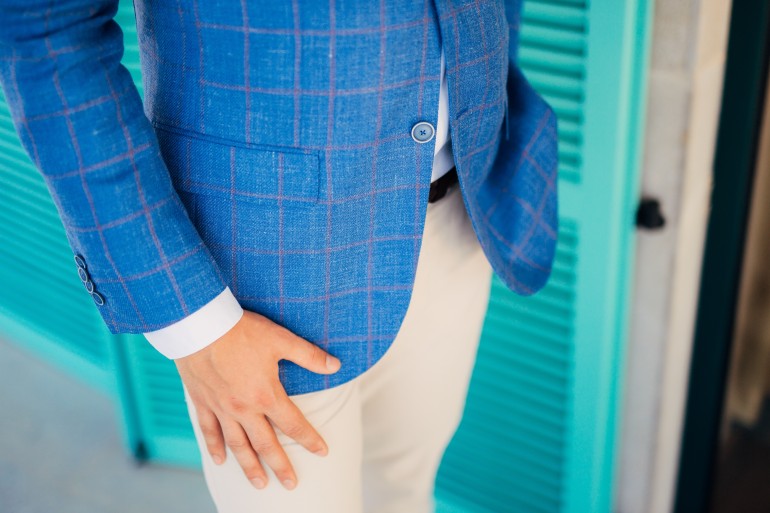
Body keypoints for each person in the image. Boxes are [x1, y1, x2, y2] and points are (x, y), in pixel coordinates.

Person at [0, 0, 558, 512]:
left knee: (403, 493)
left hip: (461, 212)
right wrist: (196, 326)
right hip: (262, 281)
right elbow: (47, 37)